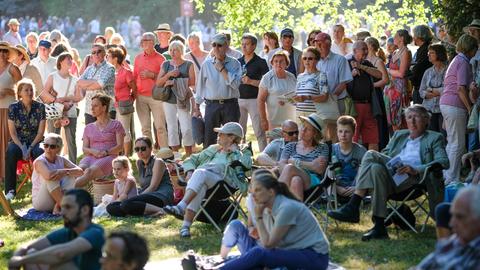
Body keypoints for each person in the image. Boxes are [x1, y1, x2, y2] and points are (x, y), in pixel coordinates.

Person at [328, 105, 449, 241]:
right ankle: (379, 228)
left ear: (426, 120)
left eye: (416, 117)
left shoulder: (434, 137)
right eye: (409, 117)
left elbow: (444, 161)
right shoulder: (399, 135)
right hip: (393, 175)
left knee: (370, 155)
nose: (412, 121)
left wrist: (417, 169)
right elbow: (384, 154)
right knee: (375, 167)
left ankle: (354, 205)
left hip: (415, 179)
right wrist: (389, 162)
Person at [218, 169, 329, 270]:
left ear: (271, 192)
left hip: (314, 257)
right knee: (255, 261)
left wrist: (259, 217)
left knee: (258, 254)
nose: (253, 195)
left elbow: (268, 245)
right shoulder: (266, 206)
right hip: (292, 252)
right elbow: (270, 246)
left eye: (258, 190)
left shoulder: (287, 208)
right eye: (252, 190)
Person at [164, 122, 252, 237]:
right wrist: (190, 172)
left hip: (226, 184)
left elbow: (248, 168)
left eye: (221, 134)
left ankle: (181, 207)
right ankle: (185, 227)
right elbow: (191, 159)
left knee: (201, 173)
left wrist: (236, 151)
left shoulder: (243, 151)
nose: (218, 136)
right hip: (207, 180)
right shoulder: (214, 149)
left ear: (232, 137)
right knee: (200, 182)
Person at [8, 189, 105, 270]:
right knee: (31, 252)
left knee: (56, 263)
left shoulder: (95, 232)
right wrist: (17, 257)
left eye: (68, 207)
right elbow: (26, 247)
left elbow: (60, 253)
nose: (62, 213)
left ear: (85, 210)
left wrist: (21, 260)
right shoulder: (69, 231)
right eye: (62, 208)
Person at [440, 34, 478, 184]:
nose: (476, 51)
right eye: (475, 48)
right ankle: (452, 178)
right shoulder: (463, 62)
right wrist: (469, 109)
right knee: (458, 143)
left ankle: (447, 175)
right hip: (455, 104)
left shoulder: (456, 60)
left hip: (446, 103)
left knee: (452, 142)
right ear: (470, 48)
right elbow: (461, 89)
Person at [192, 33, 242, 147]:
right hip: (211, 105)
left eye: (219, 45)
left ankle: (232, 163)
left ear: (226, 46)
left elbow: (235, 85)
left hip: (230, 105)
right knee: (209, 139)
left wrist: (222, 68)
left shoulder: (235, 63)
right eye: (213, 45)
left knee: (232, 139)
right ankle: (208, 164)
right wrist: (197, 107)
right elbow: (200, 87)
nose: (216, 48)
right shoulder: (207, 64)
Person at [415, 186, 480, 269]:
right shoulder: (454, 241)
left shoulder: (475, 254)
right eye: (452, 215)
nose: (451, 224)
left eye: (460, 217)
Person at [106, 137, 174, 217]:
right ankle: (145, 212)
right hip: (147, 195)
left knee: (127, 203)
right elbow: (143, 186)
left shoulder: (158, 162)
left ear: (150, 148)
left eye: (143, 148)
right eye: (137, 149)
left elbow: (153, 187)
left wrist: (136, 198)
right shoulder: (139, 163)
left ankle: (164, 211)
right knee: (110, 207)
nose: (140, 151)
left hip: (161, 195)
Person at [5, 79, 46, 200]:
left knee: (40, 153)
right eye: (26, 90)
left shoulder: (40, 107)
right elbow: (12, 132)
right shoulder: (13, 107)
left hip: (35, 141)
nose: (29, 92)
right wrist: (23, 148)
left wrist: (30, 148)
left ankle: (43, 189)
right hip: (18, 142)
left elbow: (40, 132)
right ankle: (10, 190)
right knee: (11, 152)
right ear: (19, 93)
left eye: (31, 90)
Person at [75, 94, 125, 188]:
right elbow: (84, 149)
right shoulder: (88, 127)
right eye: (91, 106)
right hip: (91, 157)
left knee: (89, 172)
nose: (92, 109)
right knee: (78, 171)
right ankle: (65, 194)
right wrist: (93, 151)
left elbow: (120, 147)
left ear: (104, 107)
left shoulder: (116, 125)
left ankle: (63, 194)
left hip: (109, 157)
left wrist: (106, 152)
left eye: (95, 106)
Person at [156, 40, 195, 156]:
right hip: (168, 99)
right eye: (171, 50)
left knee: (186, 127)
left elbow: (193, 82)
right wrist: (168, 76)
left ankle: (189, 154)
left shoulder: (189, 64)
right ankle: (176, 156)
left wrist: (177, 82)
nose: (173, 52)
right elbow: (158, 83)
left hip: (183, 99)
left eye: (176, 50)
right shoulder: (166, 64)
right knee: (172, 128)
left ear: (181, 51)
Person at [42, 52, 82, 163]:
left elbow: (79, 97)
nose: (70, 60)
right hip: (55, 111)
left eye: (71, 59)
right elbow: (44, 93)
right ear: (60, 62)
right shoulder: (53, 76)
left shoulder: (75, 79)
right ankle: (52, 163)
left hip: (70, 111)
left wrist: (65, 99)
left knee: (71, 141)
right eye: (67, 59)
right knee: (52, 140)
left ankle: (73, 165)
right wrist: (56, 101)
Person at [278, 113, 329, 201]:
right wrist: (311, 165)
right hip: (292, 180)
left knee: (290, 168)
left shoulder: (322, 147)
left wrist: (295, 162)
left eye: (308, 129)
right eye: (302, 126)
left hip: (312, 182)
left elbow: (319, 169)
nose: (303, 130)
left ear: (315, 133)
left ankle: (274, 200)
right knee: (296, 180)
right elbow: (281, 167)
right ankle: (298, 213)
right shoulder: (290, 146)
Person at [32, 133, 83, 214]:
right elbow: (48, 176)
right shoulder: (39, 161)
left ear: (58, 148)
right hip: (41, 202)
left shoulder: (61, 159)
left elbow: (80, 171)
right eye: (46, 145)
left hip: (56, 198)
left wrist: (66, 172)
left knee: (70, 176)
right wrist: (60, 172)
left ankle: (58, 206)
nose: (48, 149)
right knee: (52, 177)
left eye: (52, 146)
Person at [346, 40, 383, 150]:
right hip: (353, 106)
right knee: (353, 137)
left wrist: (362, 67)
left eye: (366, 48)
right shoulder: (346, 63)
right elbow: (340, 83)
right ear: (354, 51)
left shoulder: (366, 63)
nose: (366, 51)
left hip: (369, 105)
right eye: (363, 49)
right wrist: (351, 75)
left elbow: (379, 74)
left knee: (373, 138)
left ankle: (372, 161)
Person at [133, 32, 168, 148]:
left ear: (153, 42)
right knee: (145, 128)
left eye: (146, 40)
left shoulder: (161, 58)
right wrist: (134, 93)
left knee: (160, 127)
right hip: (141, 97)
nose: (143, 42)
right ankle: (148, 153)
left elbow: (166, 78)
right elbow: (134, 77)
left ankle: (165, 152)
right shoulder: (138, 58)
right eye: (142, 40)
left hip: (156, 97)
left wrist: (152, 75)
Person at [238, 33, 269, 151]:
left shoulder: (261, 62)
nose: (243, 47)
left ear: (254, 46)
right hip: (239, 99)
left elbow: (266, 84)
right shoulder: (238, 62)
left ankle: (264, 156)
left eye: (246, 44)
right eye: (242, 44)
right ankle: (241, 158)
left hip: (255, 100)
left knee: (259, 131)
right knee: (240, 133)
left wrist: (251, 81)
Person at [314, 32, 353, 120]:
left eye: (320, 44)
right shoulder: (314, 61)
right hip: (318, 102)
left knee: (336, 129)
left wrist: (330, 98)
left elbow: (343, 83)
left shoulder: (340, 60)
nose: (318, 47)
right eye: (316, 44)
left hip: (337, 101)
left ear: (328, 44)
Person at [107, 47, 137, 155]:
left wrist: (130, 100)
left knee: (125, 131)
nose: (107, 58)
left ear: (115, 59)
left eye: (109, 57)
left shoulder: (126, 72)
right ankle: (119, 154)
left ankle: (126, 156)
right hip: (113, 105)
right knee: (117, 131)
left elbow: (134, 88)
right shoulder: (110, 72)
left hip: (124, 105)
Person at [77, 43, 116, 125]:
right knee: (91, 136)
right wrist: (95, 81)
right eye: (94, 52)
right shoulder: (89, 68)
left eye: (99, 51)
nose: (96, 54)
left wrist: (87, 85)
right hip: (89, 110)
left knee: (106, 136)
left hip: (105, 110)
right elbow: (79, 83)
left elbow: (100, 85)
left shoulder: (110, 68)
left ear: (104, 53)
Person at [258, 50, 297, 131]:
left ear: (286, 64)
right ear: (272, 63)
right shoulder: (267, 78)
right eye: (276, 61)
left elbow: (296, 95)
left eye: (281, 61)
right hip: (273, 120)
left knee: (291, 142)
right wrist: (263, 120)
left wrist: (288, 100)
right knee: (274, 142)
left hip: (291, 120)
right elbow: (261, 100)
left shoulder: (292, 76)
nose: (278, 63)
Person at [0, 42, 21, 184]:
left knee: (7, 141)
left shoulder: (13, 68)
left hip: (9, 110)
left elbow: (23, 90)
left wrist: (7, 91)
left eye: (4, 51)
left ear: (8, 54)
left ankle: (8, 174)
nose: (1, 54)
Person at [384, 29, 413, 132]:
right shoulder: (396, 51)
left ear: (402, 38)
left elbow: (401, 73)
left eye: (396, 36)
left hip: (399, 89)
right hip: (391, 88)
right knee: (392, 121)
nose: (394, 38)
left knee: (399, 119)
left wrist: (388, 70)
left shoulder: (406, 51)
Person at [332, 116, 367, 199]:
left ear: (353, 132)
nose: (343, 135)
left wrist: (357, 188)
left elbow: (366, 174)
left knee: (365, 168)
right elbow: (325, 175)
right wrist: (336, 188)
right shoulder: (331, 149)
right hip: (335, 188)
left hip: (356, 189)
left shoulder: (361, 151)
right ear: (337, 132)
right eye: (340, 131)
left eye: (347, 131)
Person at [365, 37, 390, 150]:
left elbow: (386, 80)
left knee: (378, 120)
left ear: (370, 46)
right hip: (367, 95)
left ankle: (381, 145)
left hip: (376, 94)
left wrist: (372, 86)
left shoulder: (378, 61)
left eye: (366, 44)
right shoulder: (365, 59)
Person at [419, 44, 448, 133]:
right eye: (429, 53)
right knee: (432, 135)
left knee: (443, 135)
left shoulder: (448, 70)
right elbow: (421, 91)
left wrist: (430, 90)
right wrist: (435, 92)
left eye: (432, 53)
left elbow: (447, 89)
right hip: (429, 108)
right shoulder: (428, 72)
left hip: (443, 108)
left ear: (439, 54)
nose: (428, 55)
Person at [411, 25, 434, 105]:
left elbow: (418, 70)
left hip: (423, 89)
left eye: (414, 35)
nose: (413, 37)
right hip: (422, 88)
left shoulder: (426, 50)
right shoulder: (424, 49)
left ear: (419, 36)